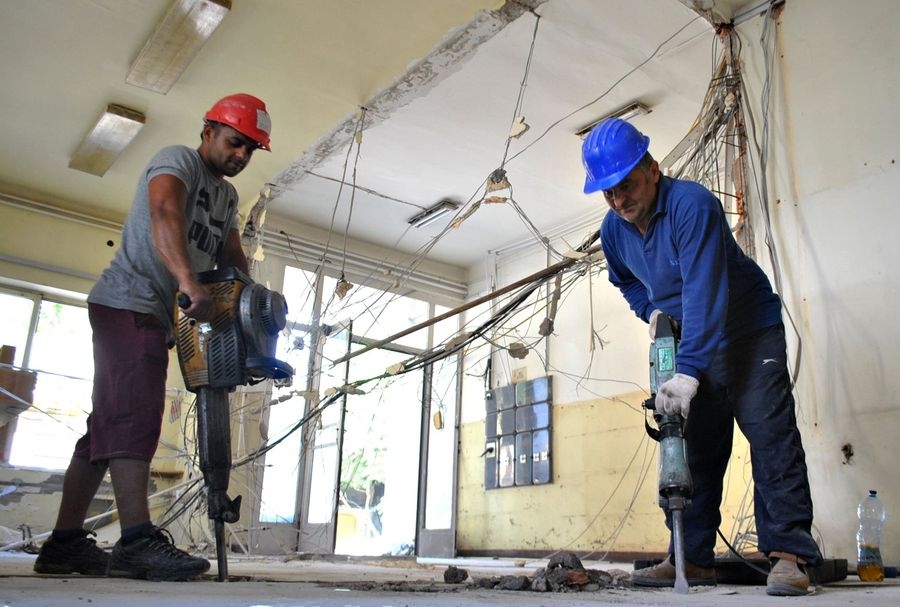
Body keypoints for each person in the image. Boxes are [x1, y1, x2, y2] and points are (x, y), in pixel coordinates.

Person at [33, 94, 272, 581]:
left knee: (105, 428)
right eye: (235, 142)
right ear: (208, 131)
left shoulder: (226, 198)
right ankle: (136, 541)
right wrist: (188, 284)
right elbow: (165, 213)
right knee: (134, 416)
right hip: (128, 300)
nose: (242, 156)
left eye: (251, 149)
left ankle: (63, 544)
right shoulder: (177, 159)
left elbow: (230, 262)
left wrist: (249, 315)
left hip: (158, 315)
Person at [581, 118, 822, 596]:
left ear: (651, 169)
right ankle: (690, 557)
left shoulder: (692, 205)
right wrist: (650, 311)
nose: (618, 200)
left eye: (625, 185)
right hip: (696, 339)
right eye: (607, 193)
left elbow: (706, 292)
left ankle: (790, 555)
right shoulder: (614, 230)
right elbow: (624, 279)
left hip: (750, 331)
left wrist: (686, 372)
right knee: (697, 449)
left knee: (769, 434)